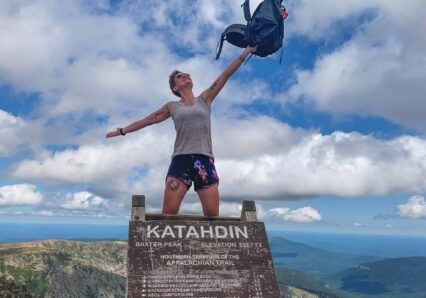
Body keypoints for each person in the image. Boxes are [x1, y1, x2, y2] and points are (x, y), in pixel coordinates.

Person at [106, 46, 257, 216]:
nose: (186, 76)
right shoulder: (172, 106)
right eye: (180, 76)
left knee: (212, 217)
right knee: (168, 215)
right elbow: (147, 120)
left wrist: (246, 52)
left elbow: (225, 76)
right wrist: (122, 131)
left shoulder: (205, 99)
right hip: (181, 161)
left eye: (187, 75)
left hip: (204, 160)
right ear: (174, 88)